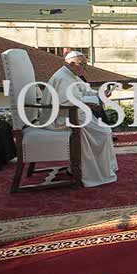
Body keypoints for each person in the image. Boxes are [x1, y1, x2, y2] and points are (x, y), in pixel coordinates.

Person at [39, 52, 117, 187]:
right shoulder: (63, 78)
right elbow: (66, 102)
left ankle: (105, 168)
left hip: (74, 113)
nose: (85, 68)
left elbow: (85, 91)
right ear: (72, 63)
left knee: (105, 130)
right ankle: (91, 172)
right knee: (103, 133)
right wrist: (90, 101)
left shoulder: (71, 75)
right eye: (83, 65)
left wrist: (100, 94)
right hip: (62, 117)